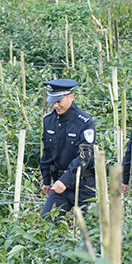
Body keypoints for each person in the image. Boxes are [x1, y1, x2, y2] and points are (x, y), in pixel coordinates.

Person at [40, 79, 96, 220]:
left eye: (59, 101)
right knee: (47, 221)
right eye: (53, 101)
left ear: (71, 97)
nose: (55, 105)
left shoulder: (84, 122)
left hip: (83, 185)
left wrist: (65, 180)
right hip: (59, 183)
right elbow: (47, 152)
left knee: (90, 228)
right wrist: (46, 180)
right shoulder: (48, 120)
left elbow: (84, 156)